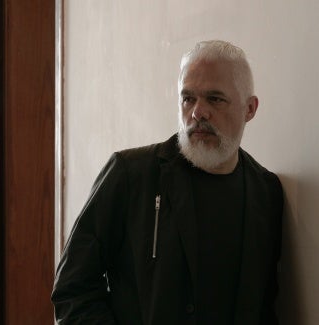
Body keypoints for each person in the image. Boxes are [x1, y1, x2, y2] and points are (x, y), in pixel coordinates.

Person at [51, 40, 283, 325]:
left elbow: (265, 306)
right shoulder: (129, 175)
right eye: (188, 98)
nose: (198, 112)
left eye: (215, 99)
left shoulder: (266, 192)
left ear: (250, 108)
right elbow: (72, 289)